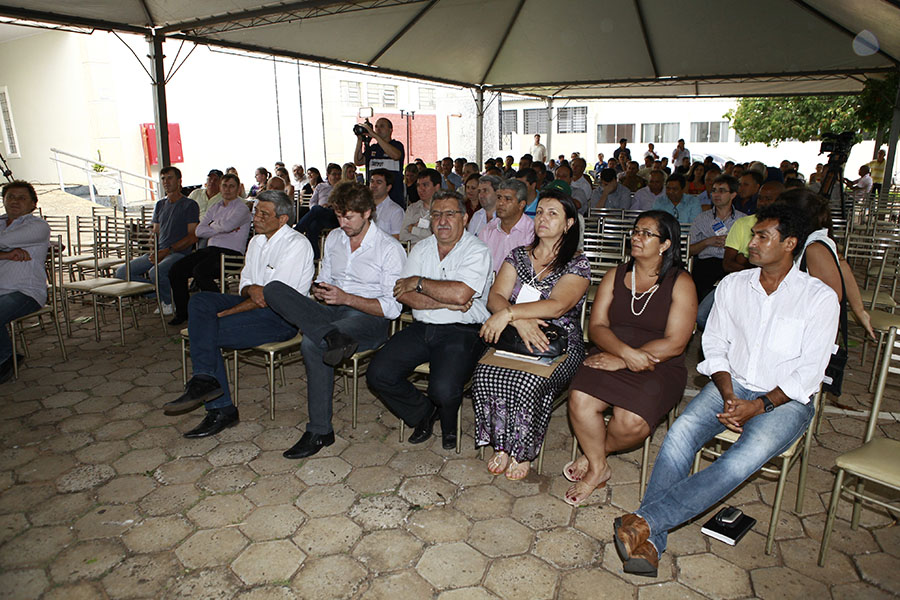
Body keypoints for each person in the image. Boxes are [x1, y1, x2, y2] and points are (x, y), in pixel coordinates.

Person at [613, 202, 839, 578]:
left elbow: (809, 373)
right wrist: (730, 393)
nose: (751, 243)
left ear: (789, 244)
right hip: (731, 384)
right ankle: (652, 541)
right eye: (753, 235)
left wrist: (759, 405)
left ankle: (645, 523)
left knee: (738, 460)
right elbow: (714, 345)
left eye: (762, 236)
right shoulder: (734, 285)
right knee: (680, 434)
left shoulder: (818, 298)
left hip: (786, 400)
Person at [263, 182, 406, 458]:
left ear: (367, 213)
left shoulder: (389, 248)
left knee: (311, 344)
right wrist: (320, 289)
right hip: (332, 313)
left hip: (368, 318)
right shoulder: (334, 239)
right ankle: (330, 335)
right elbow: (325, 278)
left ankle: (320, 431)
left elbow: (392, 308)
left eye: (349, 217)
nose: (342, 223)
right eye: (339, 216)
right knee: (274, 289)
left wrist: (347, 298)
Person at [565, 211, 697, 505]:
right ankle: (598, 468)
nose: (636, 237)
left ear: (665, 244)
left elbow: (676, 343)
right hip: (611, 350)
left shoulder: (680, 281)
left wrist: (626, 360)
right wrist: (623, 353)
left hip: (660, 362)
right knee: (580, 399)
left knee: (631, 421)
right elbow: (597, 327)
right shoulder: (615, 275)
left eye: (646, 234)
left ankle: (596, 452)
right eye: (635, 231)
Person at [162, 191, 314, 437]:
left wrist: (226, 313)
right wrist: (250, 289)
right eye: (256, 211)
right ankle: (205, 380)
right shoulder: (256, 242)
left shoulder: (296, 245)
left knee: (208, 330)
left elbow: (272, 298)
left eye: (264, 214)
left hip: (281, 318)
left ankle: (220, 409)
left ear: (283, 219)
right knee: (200, 300)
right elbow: (245, 286)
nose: (256, 218)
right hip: (254, 305)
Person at [473, 190, 590, 480]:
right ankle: (502, 445)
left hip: (557, 342)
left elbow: (557, 305)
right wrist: (519, 321)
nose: (542, 219)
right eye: (539, 213)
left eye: (553, 214)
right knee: (485, 374)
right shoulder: (518, 255)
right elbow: (495, 296)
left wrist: (510, 314)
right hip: (516, 337)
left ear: (569, 224)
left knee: (527, 383)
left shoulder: (577, 263)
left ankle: (522, 452)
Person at [367, 190, 493, 450]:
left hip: (464, 330)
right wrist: (447, 301)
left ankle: (449, 426)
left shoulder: (477, 250)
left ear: (464, 218)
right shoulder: (421, 248)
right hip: (422, 326)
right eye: (436, 214)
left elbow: (461, 294)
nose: (442, 221)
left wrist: (420, 282)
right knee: (378, 374)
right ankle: (423, 412)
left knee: (442, 388)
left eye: (450, 214)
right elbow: (404, 294)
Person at [168, 172, 252, 325]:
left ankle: (221, 310)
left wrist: (213, 226)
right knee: (176, 270)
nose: (227, 189)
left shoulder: (242, 209)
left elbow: (226, 226)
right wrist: (220, 228)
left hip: (231, 254)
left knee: (200, 272)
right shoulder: (215, 207)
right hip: (211, 250)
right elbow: (199, 231)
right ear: (220, 187)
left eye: (232, 186)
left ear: (238, 189)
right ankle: (183, 313)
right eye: (225, 186)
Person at [115, 166, 199, 316]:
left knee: (156, 272)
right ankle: (161, 294)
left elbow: (192, 236)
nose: (166, 182)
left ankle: (168, 302)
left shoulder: (189, 205)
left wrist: (168, 251)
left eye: (170, 178)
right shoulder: (160, 204)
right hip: (160, 251)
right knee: (122, 272)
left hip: (178, 253)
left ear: (179, 181)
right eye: (163, 179)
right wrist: (153, 248)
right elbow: (155, 232)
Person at [0, 181, 50, 383]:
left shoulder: (38, 226)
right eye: (10, 197)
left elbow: (3, 241)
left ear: (33, 205)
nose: (15, 201)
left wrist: (5, 250)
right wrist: (5, 255)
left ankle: (6, 359)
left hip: (25, 293)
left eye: (22, 198)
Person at [689, 175, 745, 302]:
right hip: (707, 263)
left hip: (732, 263)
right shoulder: (701, 218)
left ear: (733, 195)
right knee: (701, 277)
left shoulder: (742, 219)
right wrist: (707, 242)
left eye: (722, 191)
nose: (716, 194)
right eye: (714, 190)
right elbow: (689, 250)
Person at [478, 179, 535, 273]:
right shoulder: (488, 230)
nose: (500, 203)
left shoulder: (531, 232)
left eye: (508, 199)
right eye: (499, 198)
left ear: (521, 205)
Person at [354, 117, 405, 209]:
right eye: (376, 127)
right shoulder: (373, 148)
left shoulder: (397, 145)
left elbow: (396, 156)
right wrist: (359, 140)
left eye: (382, 126)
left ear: (390, 130)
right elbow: (358, 161)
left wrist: (375, 136)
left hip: (393, 197)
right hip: (374, 199)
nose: (378, 129)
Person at [296, 163, 342, 260]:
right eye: (334, 174)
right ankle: (315, 256)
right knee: (313, 225)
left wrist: (331, 205)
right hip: (321, 215)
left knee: (316, 210)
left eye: (339, 174)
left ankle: (297, 231)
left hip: (335, 216)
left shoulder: (344, 188)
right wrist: (320, 208)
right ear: (328, 175)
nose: (337, 177)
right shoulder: (321, 186)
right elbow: (312, 202)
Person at [401, 168, 442, 246]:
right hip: (414, 252)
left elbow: (441, 236)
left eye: (425, 185)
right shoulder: (412, 208)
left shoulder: (445, 209)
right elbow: (403, 236)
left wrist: (413, 229)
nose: (420, 189)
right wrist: (428, 234)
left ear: (437, 187)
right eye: (418, 185)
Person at [369, 168, 404, 239]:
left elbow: (396, 240)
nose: (373, 185)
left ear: (388, 188)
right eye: (372, 181)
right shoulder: (363, 207)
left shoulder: (396, 211)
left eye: (379, 182)